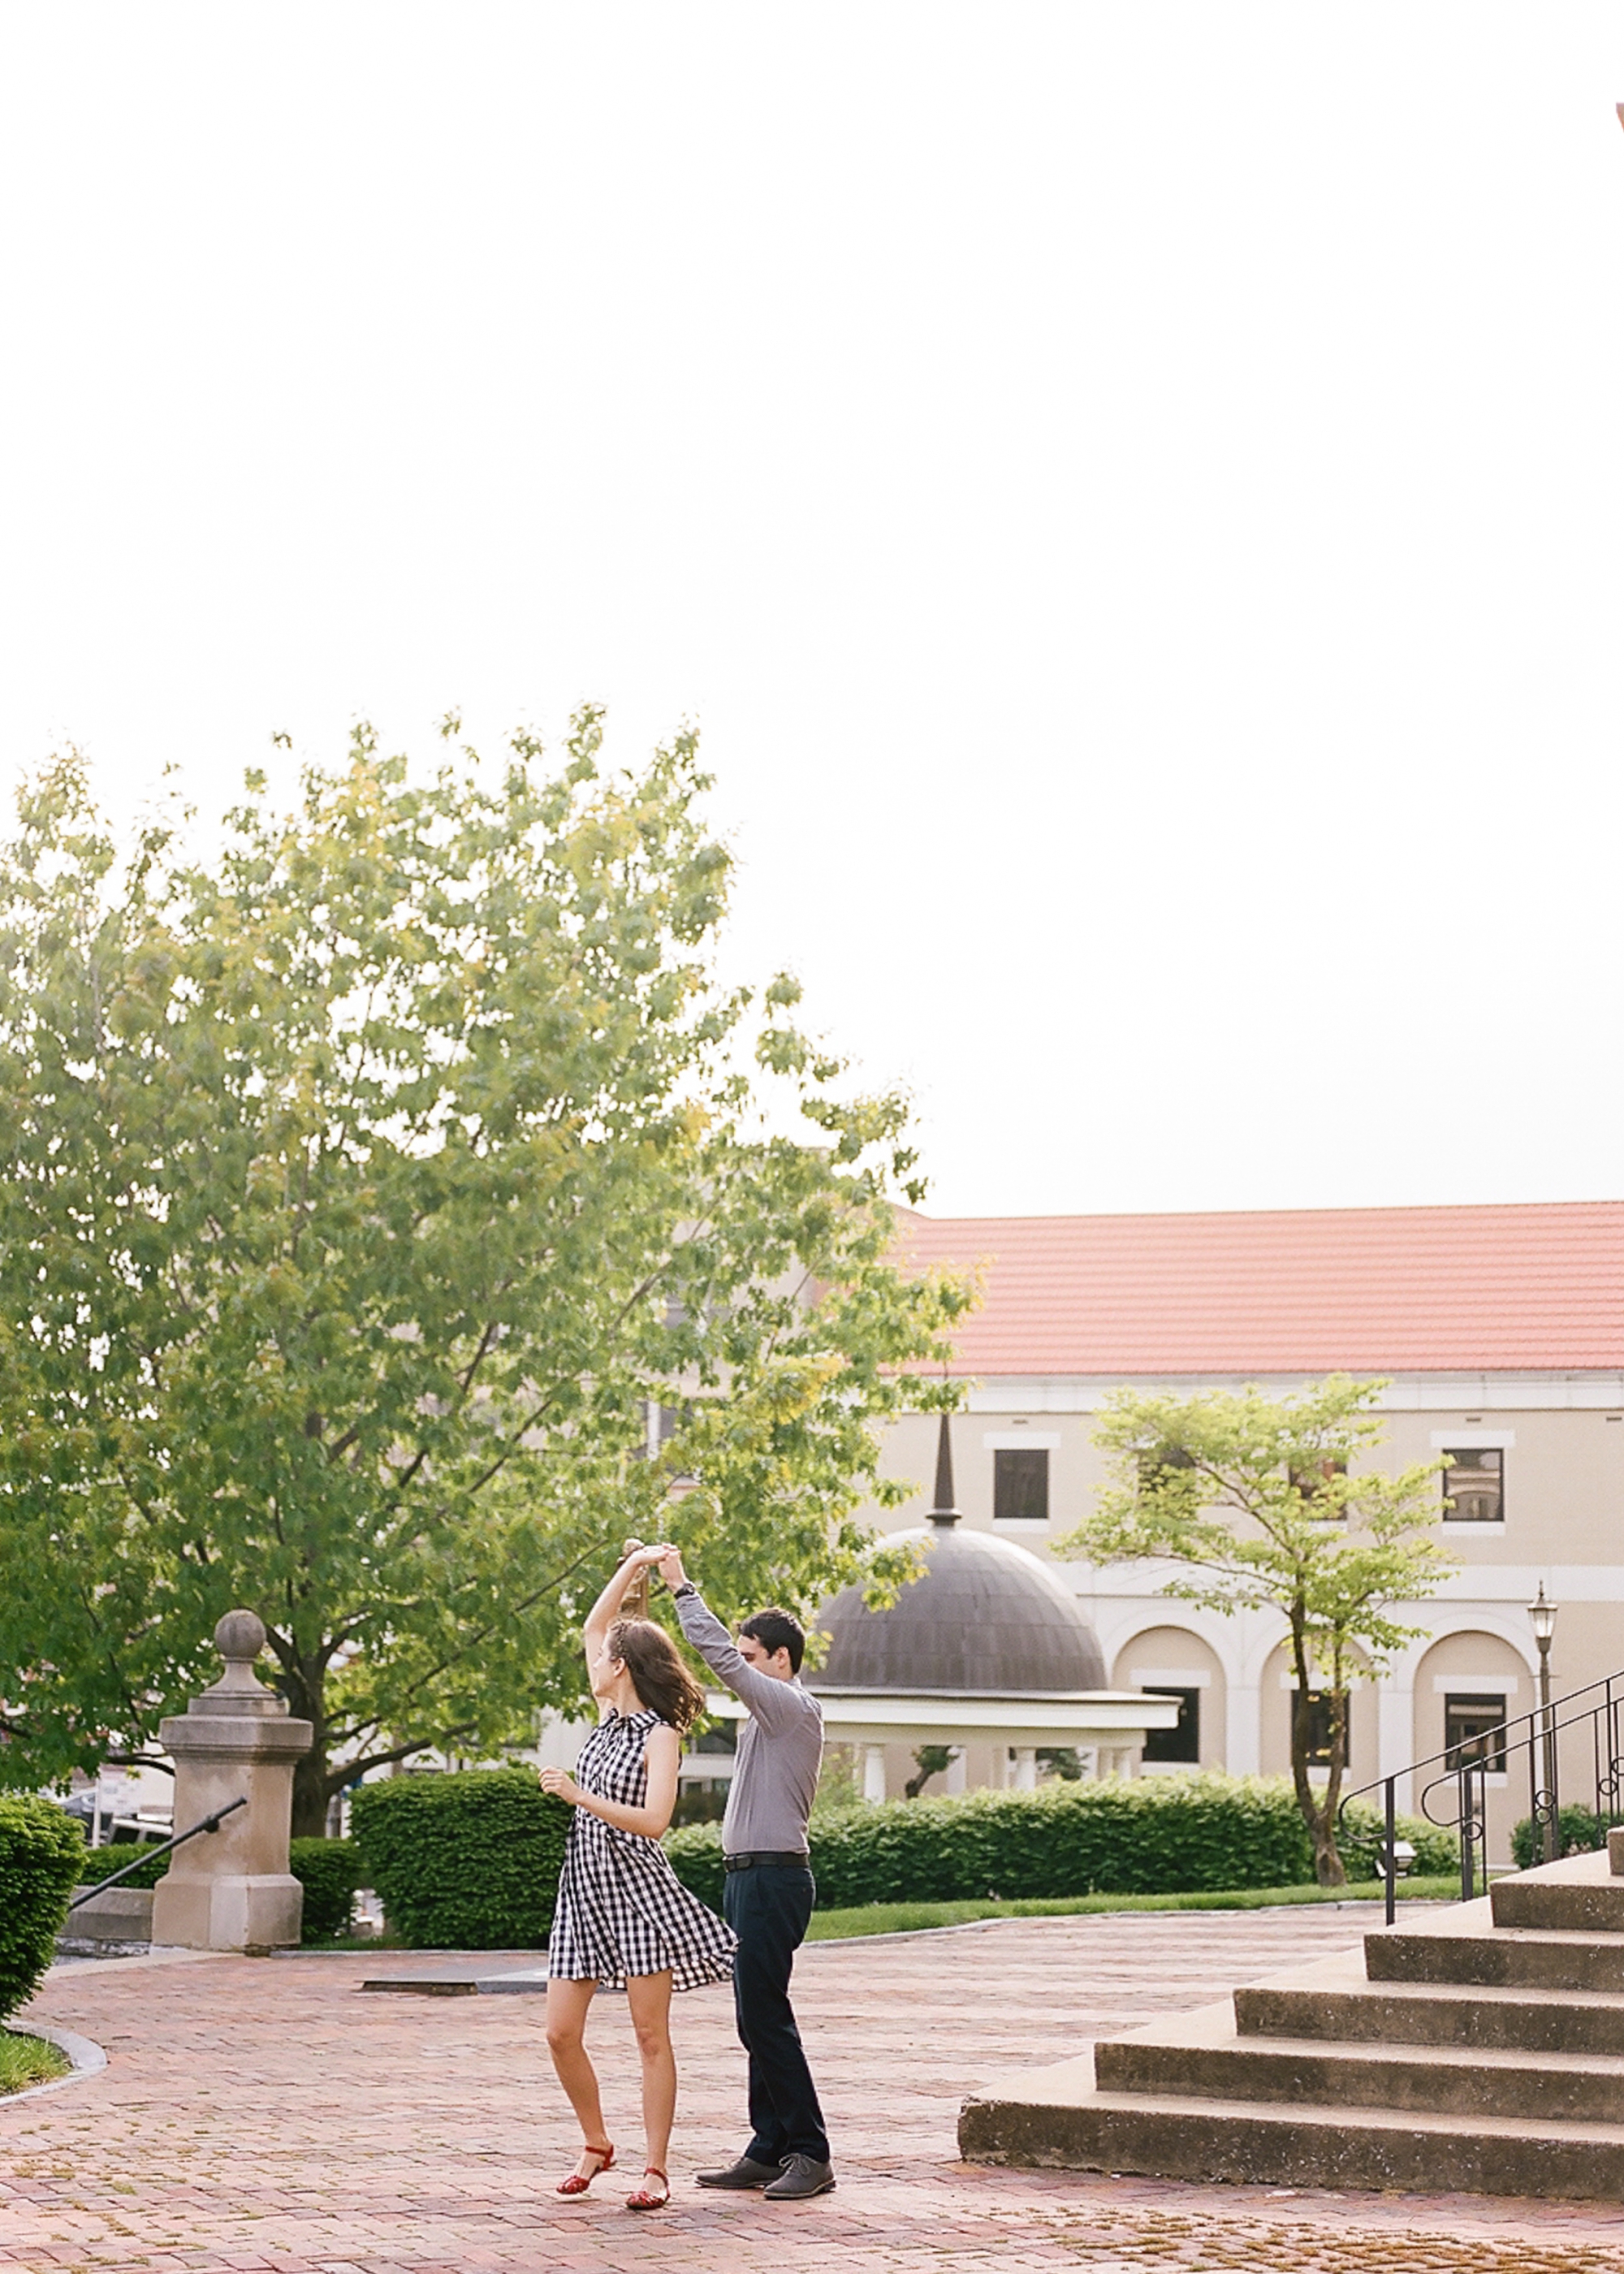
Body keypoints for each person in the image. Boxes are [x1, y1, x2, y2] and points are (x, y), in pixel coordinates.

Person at [540, 1543, 736, 2213]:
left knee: (650, 2035)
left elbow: (654, 1822)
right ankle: (597, 2143)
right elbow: (596, 1623)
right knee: (560, 2032)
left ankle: (654, 2169)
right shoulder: (605, 1719)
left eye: (603, 1658)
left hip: (637, 1895)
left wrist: (578, 1797)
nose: (593, 1660)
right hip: (583, 1894)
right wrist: (638, 1566)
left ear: (621, 1669)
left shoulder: (661, 1735)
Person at [658, 1545, 835, 2202]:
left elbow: (723, 1663)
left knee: (766, 2017)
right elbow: (720, 1672)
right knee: (752, 2016)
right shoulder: (768, 1717)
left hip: (774, 1880)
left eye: (753, 1656)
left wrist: (682, 1588)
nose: (743, 1666)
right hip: (747, 1879)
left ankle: (811, 2151)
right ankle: (769, 2146)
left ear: (780, 1660)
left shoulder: (793, 1707)